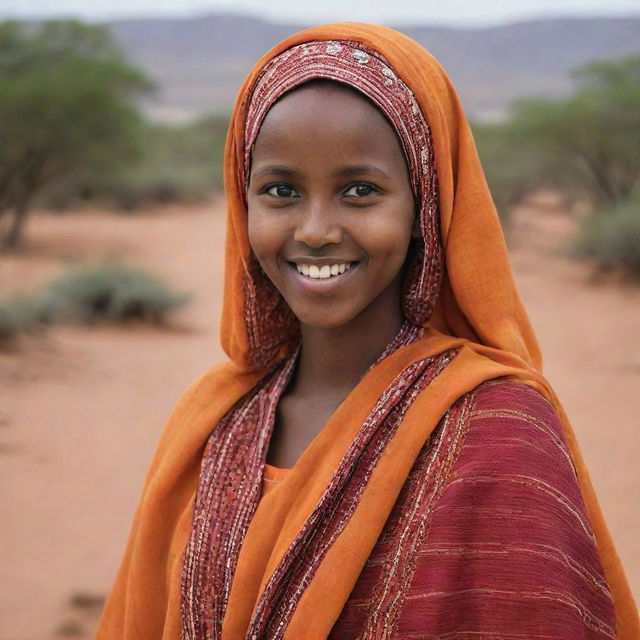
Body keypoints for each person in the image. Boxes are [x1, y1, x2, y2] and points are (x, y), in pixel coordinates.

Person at [95, 23, 638, 639]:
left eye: (360, 191)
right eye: (280, 191)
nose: (317, 229)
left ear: (423, 209)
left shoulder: (498, 427)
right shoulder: (212, 419)